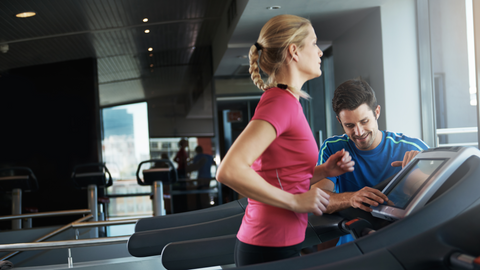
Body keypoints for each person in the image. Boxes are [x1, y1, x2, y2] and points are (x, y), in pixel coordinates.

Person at [216, 14, 355, 267]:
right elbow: (229, 170)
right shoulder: (279, 102)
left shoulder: (288, 101)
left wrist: (324, 171)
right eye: (313, 43)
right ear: (294, 51)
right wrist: (295, 201)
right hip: (268, 246)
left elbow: (280, 175)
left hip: (277, 243)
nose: (320, 52)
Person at [313, 78, 429, 246]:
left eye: (364, 121)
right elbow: (320, 199)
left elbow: (443, 193)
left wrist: (424, 166)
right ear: (340, 121)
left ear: (377, 112)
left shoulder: (411, 147)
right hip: (353, 248)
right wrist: (352, 198)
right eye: (350, 125)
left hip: (403, 243)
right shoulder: (333, 148)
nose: (358, 132)